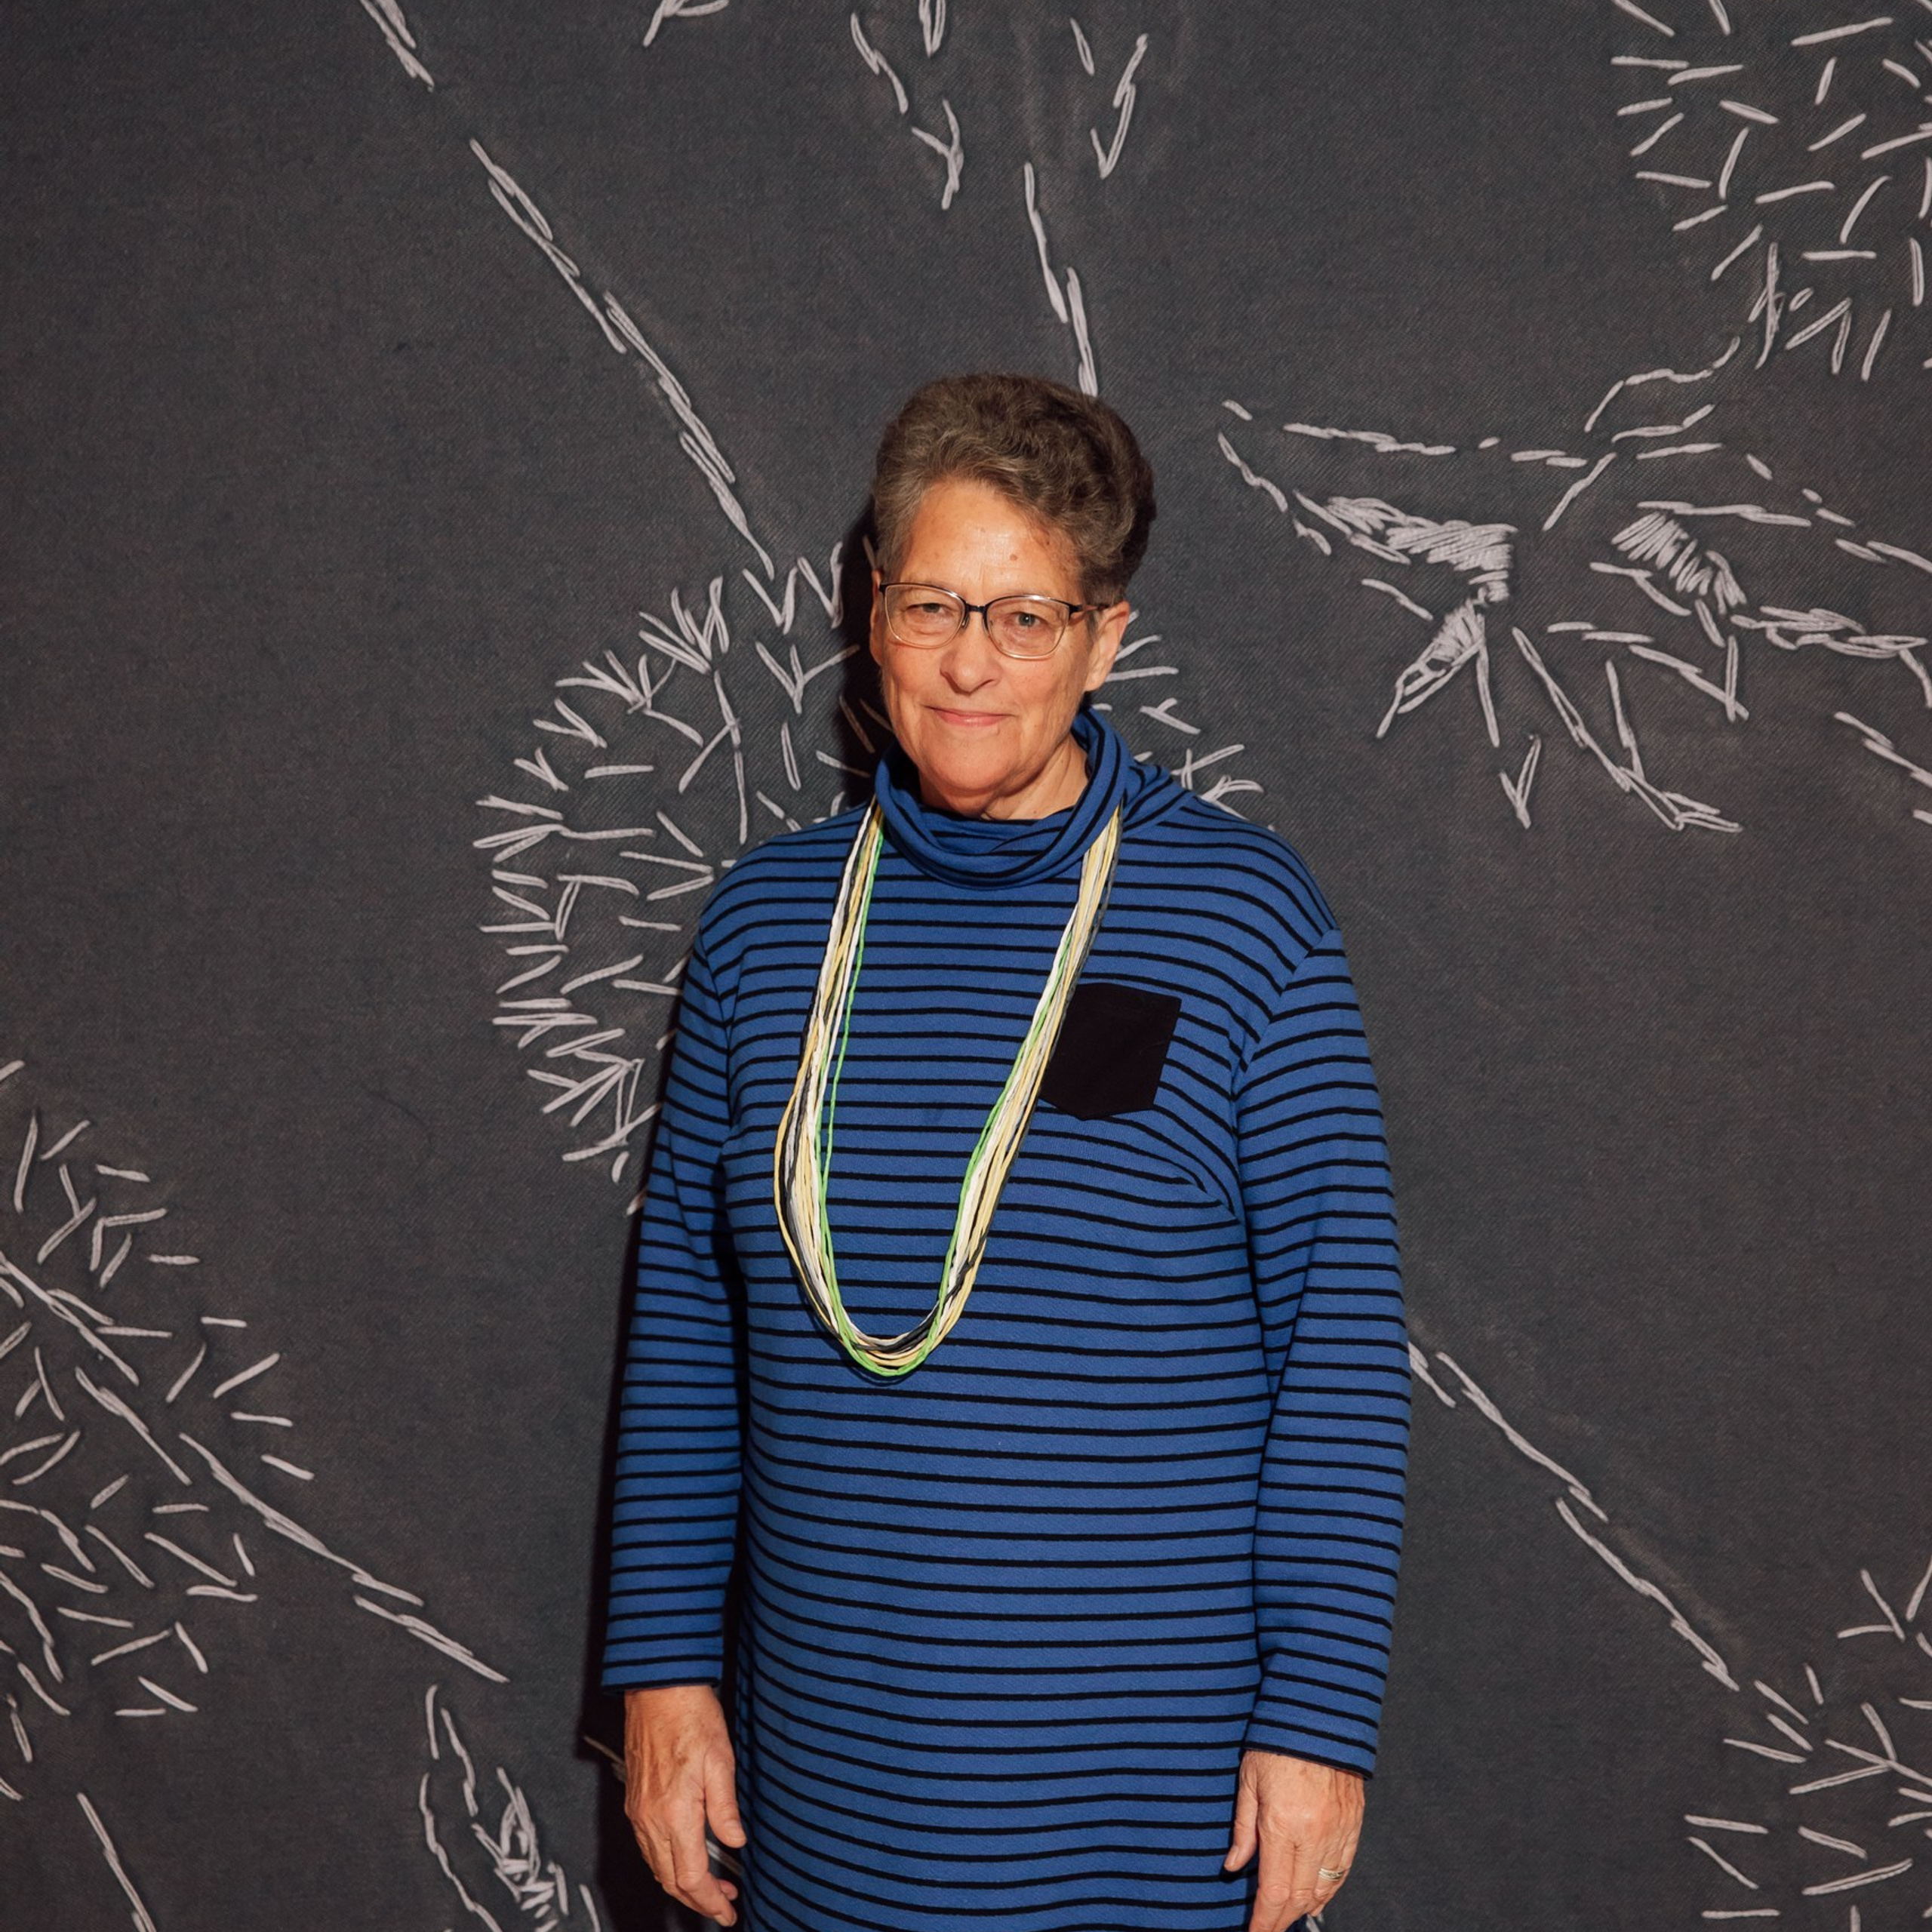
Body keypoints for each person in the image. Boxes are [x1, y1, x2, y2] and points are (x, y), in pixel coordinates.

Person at [600, 371, 1411, 1932]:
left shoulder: (1242, 920)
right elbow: (688, 1339)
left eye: (1026, 617)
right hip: (824, 1786)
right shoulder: (764, 932)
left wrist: (1317, 1718)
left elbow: (1337, 1352)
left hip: (1147, 1807)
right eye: (932, 606)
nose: (970, 661)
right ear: (874, 615)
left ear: (1104, 640)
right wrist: (662, 1672)